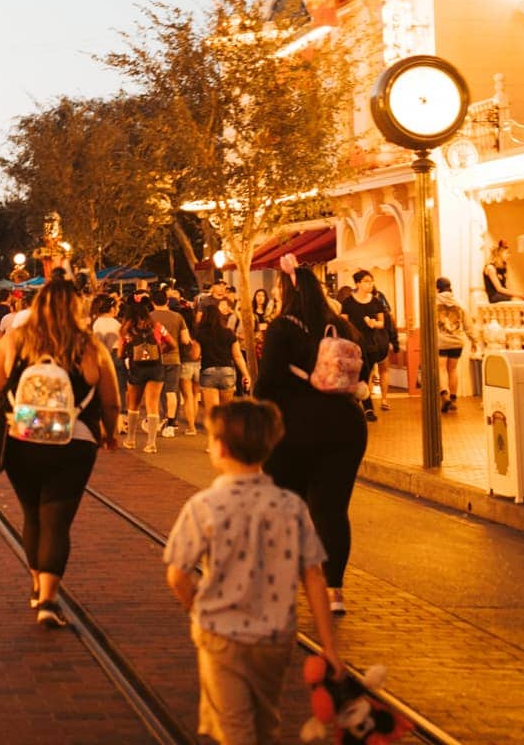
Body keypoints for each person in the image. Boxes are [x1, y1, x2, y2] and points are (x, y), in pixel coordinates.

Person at [164, 399, 342, 745]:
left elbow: (177, 575)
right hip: (275, 637)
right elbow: (314, 577)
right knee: (266, 724)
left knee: (235, 731)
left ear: (220, 447)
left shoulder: (205, 506)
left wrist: (193, 604)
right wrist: (328, 645)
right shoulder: (292, 506)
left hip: (221, 634)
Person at [0, 274, 121, 627]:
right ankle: (48, 599)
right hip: (75, 441)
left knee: (31, 514)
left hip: (21, 439)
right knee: (56, 521)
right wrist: (110, 432)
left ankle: (35, 584)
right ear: (77, 308)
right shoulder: (89, 345)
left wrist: (17, 402)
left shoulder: (16, 340)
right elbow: (111, 400)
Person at [252, 260, 365, 616]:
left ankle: (280, 582)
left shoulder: (282, 328)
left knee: (285, 507)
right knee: (332, 510)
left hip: (294, 426)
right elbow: (368, 362)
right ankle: (334, 592)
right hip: (346, 424)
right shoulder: (342, 325)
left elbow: (268, 381)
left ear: (285, 293)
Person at [343, 270, 396, 422]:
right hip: (354, 345)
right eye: (366, 281)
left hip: (372, 344)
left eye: (371, 281)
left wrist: (374, 324)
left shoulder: (376, 301)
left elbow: (382, 323)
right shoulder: (348, 302)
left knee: (364, 375)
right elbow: (343, 321)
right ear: (358, 283)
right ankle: (367, 408)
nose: (369, 284)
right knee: (361, 375)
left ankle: (356, 407)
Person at [122, 298, 169, 454]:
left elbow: (120, 352)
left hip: (136, 369)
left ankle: (130, 440)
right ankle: (151, 443)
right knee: (152, 404)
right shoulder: (157, 326)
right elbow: (173, 343)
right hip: (156, 367)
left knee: (133, 405)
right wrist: (159, 351)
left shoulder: (126, 330)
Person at [196, 297, 252, 421]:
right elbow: (237, 356)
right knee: (226, 412)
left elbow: (196, 354)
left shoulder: (200, 333)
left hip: (208, 371)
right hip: (227, 372)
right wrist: (245, 374)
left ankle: (215, 436)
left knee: (212, 413)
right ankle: (227, 436)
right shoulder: (229, 333)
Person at [150, 288, 193, 436]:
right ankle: (170, 423)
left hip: (154, 359)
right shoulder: (178, 317)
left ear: (152, 302)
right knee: (171, 391)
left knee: (154, 393)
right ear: (167, 301)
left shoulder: (149, 317)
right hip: (174, 359)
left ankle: (156, 421)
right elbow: (185, 340)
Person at [433, 278, 478, 414]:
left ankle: (444, 395)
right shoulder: (460, 303)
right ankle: (453, 399)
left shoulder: (433, 302)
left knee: (441, 369)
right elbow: (468, 324)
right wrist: (474, 340)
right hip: (456, 341)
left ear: (437, 288)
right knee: (452, 369)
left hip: (440, 341)